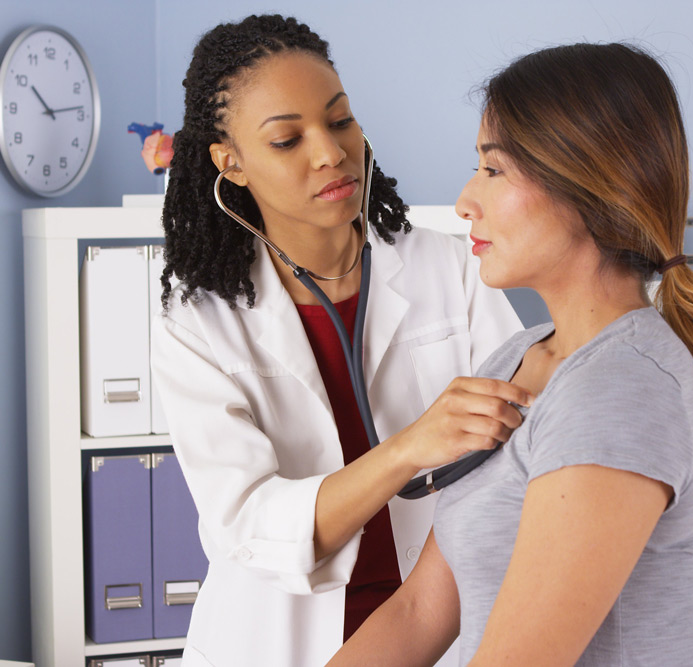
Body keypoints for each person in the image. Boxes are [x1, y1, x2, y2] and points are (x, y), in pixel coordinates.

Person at [329, 42, 693, 666]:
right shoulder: (516, 360)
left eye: (493, 170)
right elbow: (419, 613)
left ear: (585, 184)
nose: (467, 200)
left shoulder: (623, 382)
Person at [150, 13, 525, 667]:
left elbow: (521, 444)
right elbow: (248, 524)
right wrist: (410, 448)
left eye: (340, 119)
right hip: (275, 642)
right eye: (288, 139)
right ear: (229, 163)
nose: (329, 151)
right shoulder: (199, 322)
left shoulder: (452, 268)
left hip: (438, 627)